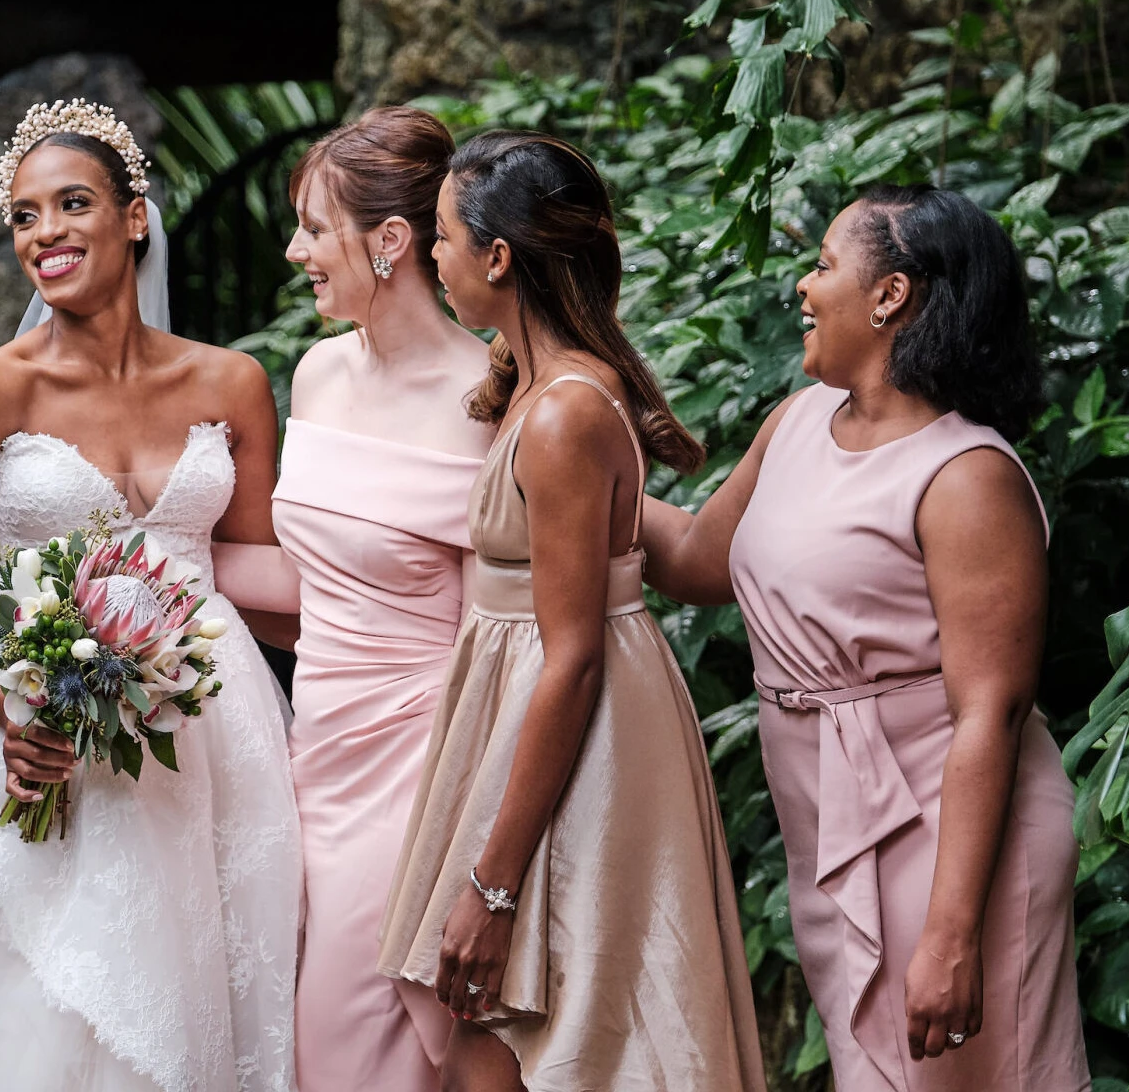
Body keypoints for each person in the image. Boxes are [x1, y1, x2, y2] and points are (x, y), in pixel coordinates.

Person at [0, 99, 301, 1091]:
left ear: (134, 217)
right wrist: (8, 710)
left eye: (71, 204)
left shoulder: (233, 385)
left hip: (215, 740)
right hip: (36, 737)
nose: (45, 233)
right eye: (23, 215)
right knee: (31, 1018)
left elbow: (264, 567)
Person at [639, 185, 1090, 1091]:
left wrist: (951, 933)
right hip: (826, 810)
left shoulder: (963, 475)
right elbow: (694, 560)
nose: (801, 288)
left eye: (821, 266)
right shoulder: (800, 420)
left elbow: (988, 714)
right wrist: (565, 454)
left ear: (889, 295)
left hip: (947, 831)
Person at [379, 131, 765, 1091]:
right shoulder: (547, 390)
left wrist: (492, 883)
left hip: (571, 729)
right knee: (504, 1028)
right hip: (531, 712)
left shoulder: (562, 416)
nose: (432, 258)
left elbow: (573, 657)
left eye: (441, 238)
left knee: (549, 1025)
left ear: (497, 256)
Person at [273, 106, 491, 1091]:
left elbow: (511, 633)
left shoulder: (491, 398)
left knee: (350, 1034)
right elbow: (317, 579)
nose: (294, 252)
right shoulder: (315, 374)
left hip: (414, 768)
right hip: (307, 753)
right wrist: (138, 562)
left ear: (391, 241)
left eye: (314, 229)